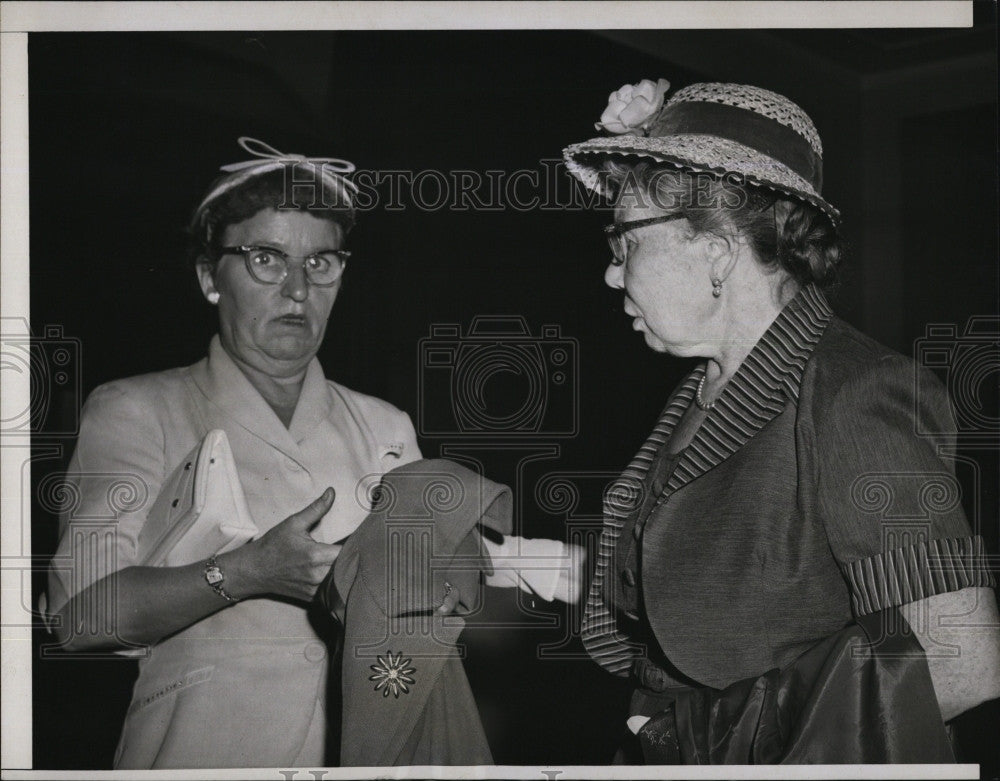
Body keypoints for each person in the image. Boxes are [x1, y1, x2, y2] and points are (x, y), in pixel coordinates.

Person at [46, 137, 578, 769]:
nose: (297, 289)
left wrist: (460, 586)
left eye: (321, 262)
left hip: (369, 745)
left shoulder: (384, 424)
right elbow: (80, 618)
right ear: (208, 276)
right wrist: (243, 573)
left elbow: (436, 597)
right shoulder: (137, 407)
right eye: (266, 258)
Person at [561, 79, 1000, 762]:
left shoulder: (855, 392)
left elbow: (963, 657)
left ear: (716, 245)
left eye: (623, 243)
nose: (613, 276)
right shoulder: (705, 389)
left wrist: (727, 741)